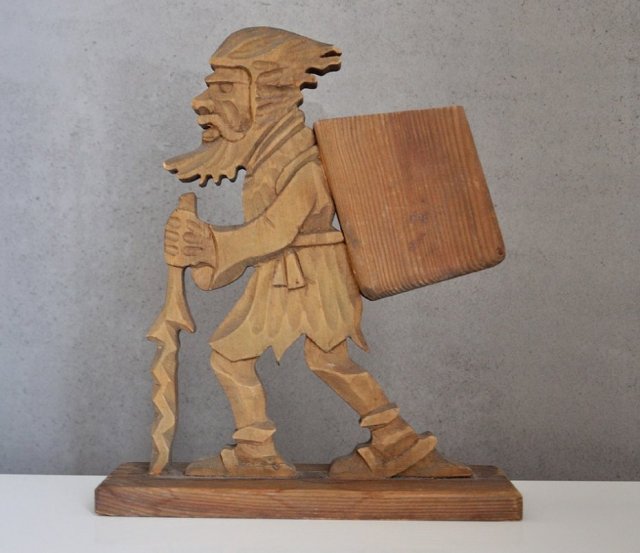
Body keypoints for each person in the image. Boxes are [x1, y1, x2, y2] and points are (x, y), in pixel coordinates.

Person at [163, 27, 469, 479]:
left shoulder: (303, 163)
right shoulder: (272, 158)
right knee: (325, 360)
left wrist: (209, 244)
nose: (202, 101)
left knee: (240, 357)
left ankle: (259, 455)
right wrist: (205, 250)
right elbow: (262, 239)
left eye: (225, 87)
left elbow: (273, 232)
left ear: (265, 93)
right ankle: (396, 441)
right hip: (295, 272)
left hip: (307, 275)